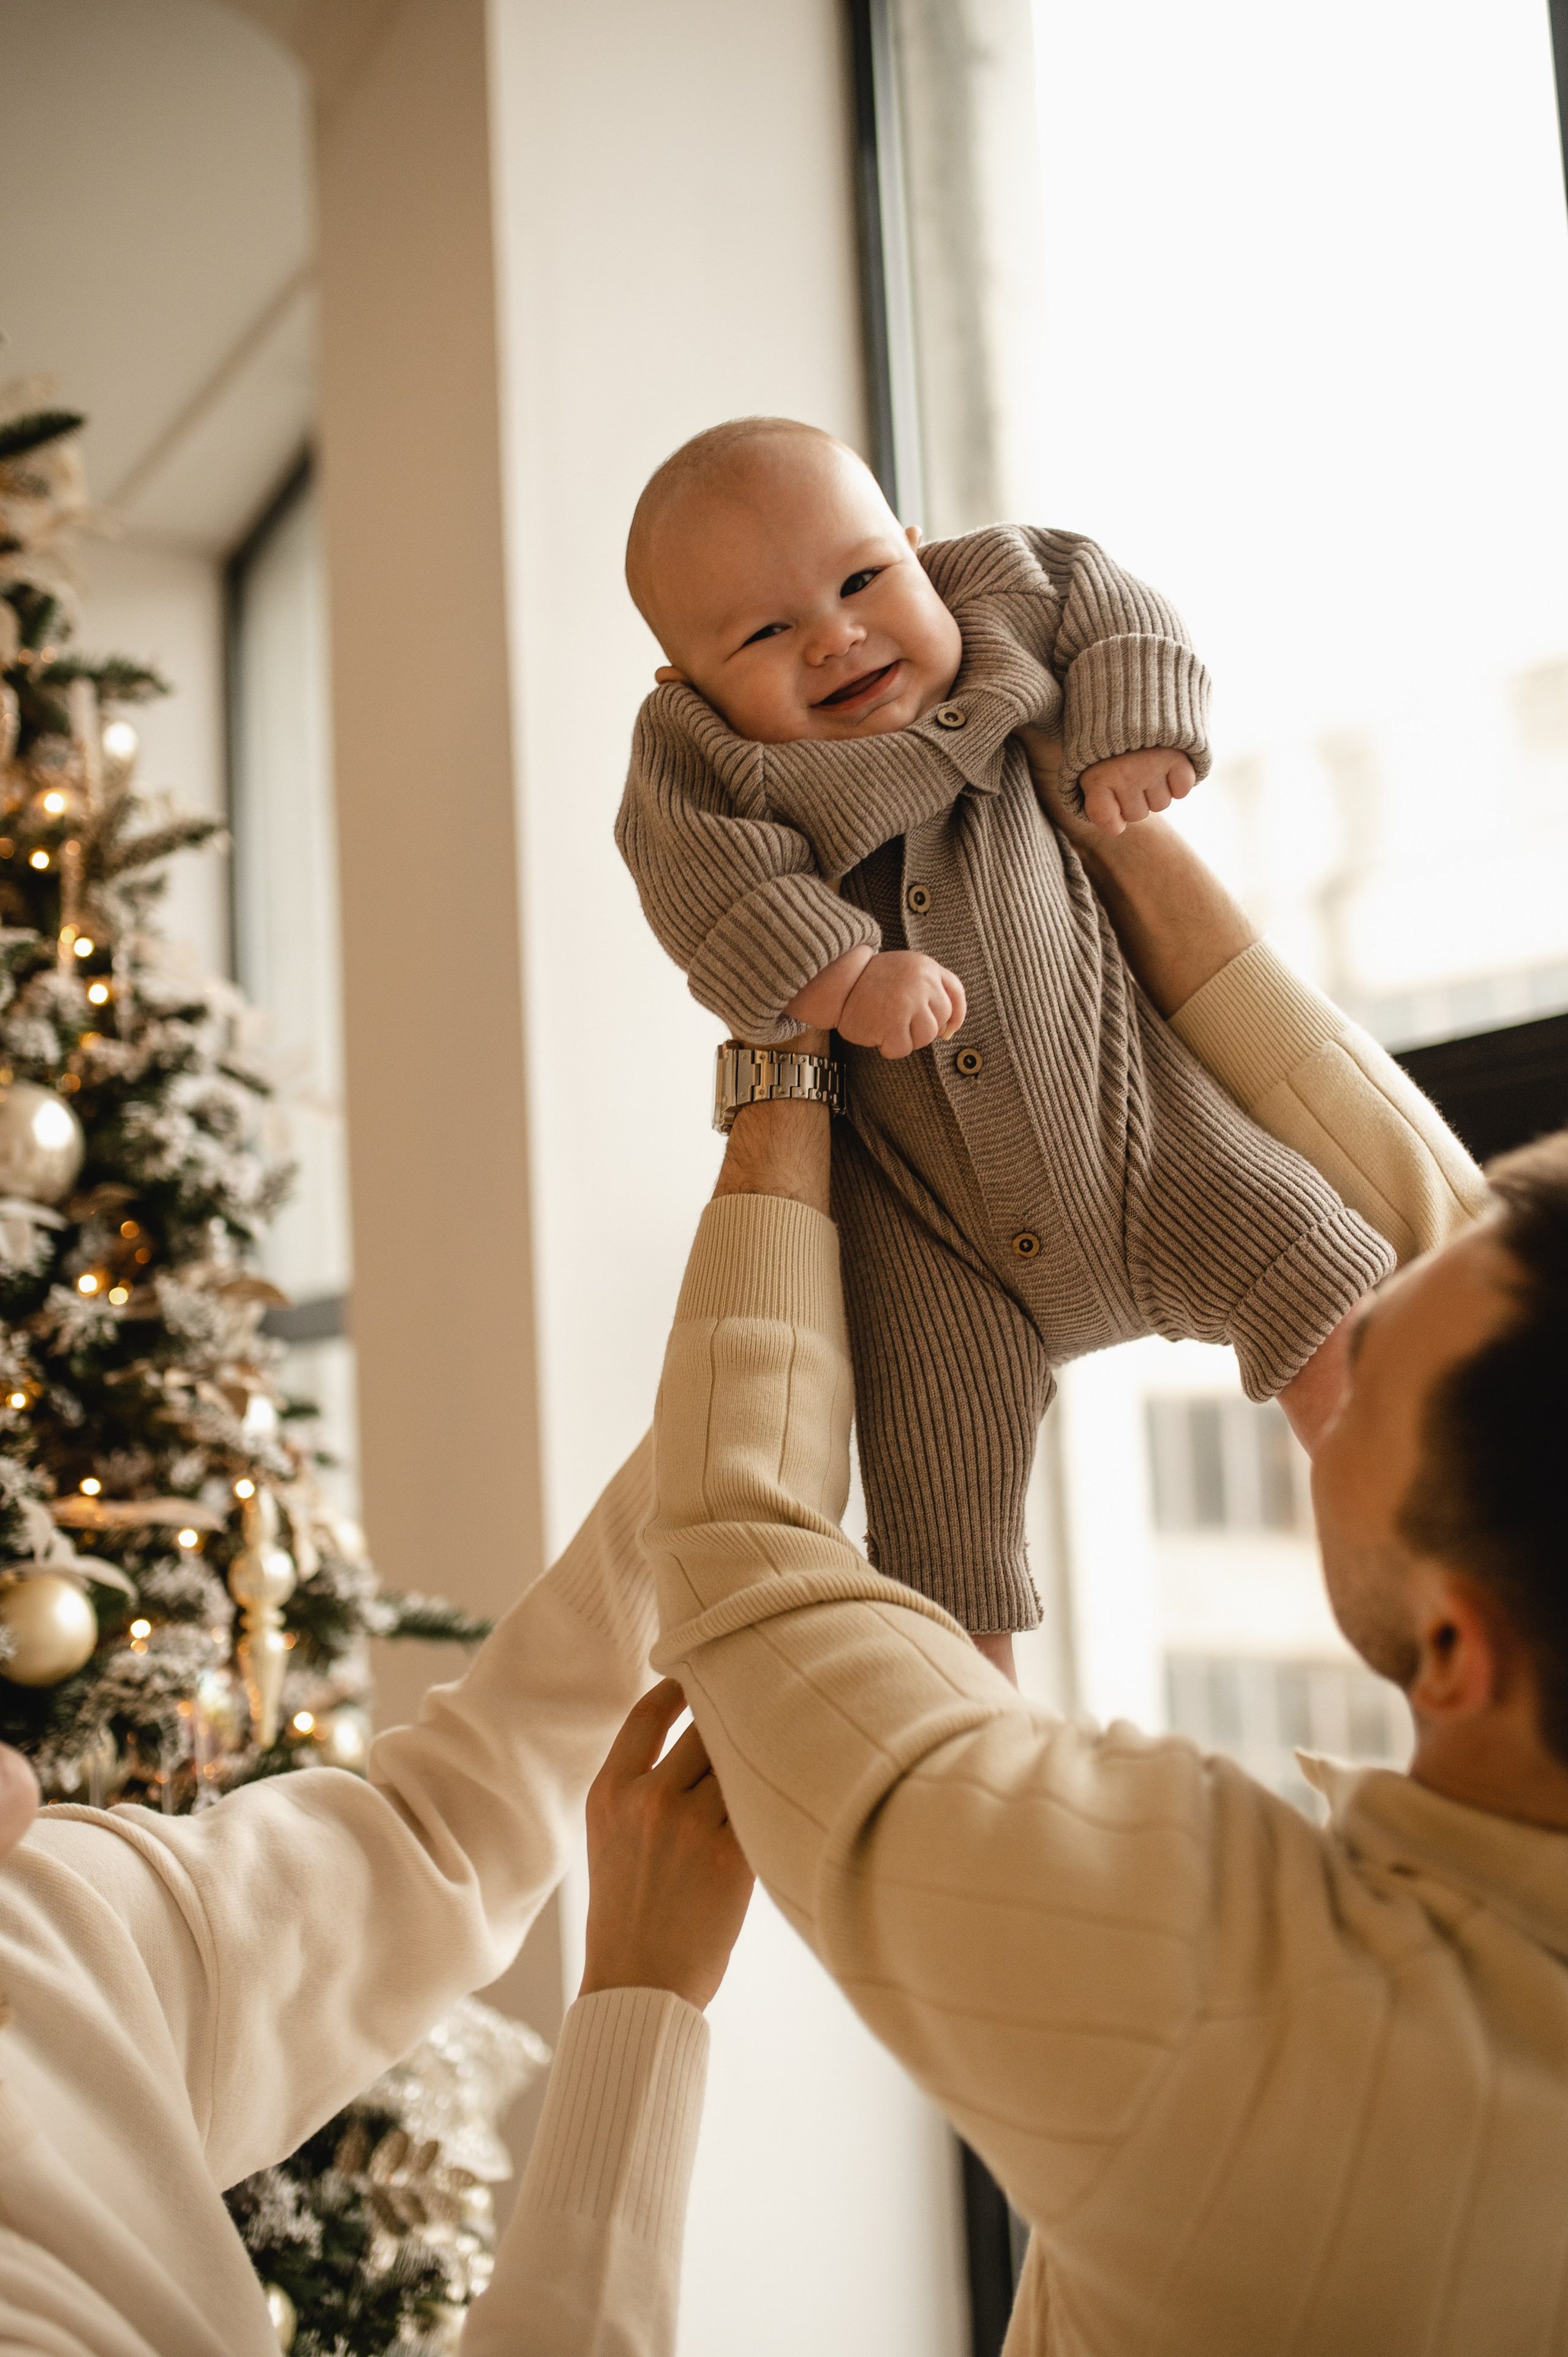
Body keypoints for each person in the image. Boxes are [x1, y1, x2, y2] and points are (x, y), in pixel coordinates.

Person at [0, 799, 1476, 2357]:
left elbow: (453, 1812)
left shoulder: (46, 1929)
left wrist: (816, 1138)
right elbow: (1457, 1265)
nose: (23, 1769)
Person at [640, 778, 1568, 2352]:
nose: (1329, 1350)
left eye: (1353, 1380)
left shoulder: (1221, 2000)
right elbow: (1457, 1255)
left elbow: (747, 1553)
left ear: (1457, 1647)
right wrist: (1099, 815)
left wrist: (779, 1049)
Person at [616, 417, 1398, 1673]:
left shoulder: (995, 594)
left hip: (1142, 1134)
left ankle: (1420, 1573)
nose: (835, 636)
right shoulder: (695, 753)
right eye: (763, 634)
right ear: (688, 686)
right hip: (929, 1235)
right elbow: (693, 876)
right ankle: (983, 1744)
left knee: (1325, 1283)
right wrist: (842, 976)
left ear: (915, 549)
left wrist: (1135, 727)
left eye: (863, 578)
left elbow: (1108, 602)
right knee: (941, 1521)